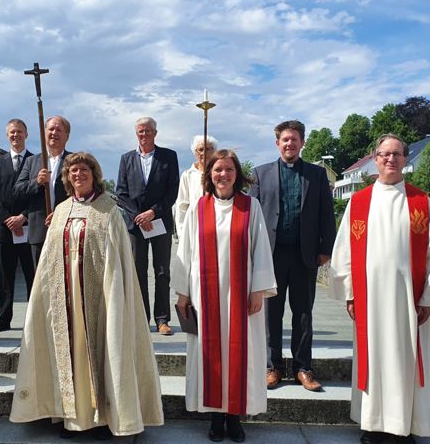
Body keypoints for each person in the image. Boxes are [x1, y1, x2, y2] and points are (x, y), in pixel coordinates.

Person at [10, 152, 164, 439]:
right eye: (73, 171)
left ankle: (103, 418)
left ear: (94, 175)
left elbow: (119, 259)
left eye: (84, 170)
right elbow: (48, 258)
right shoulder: (61, 211)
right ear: (67, 178)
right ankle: (72, 417)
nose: (78, 175)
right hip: (65, 298)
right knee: (69, 352)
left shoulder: (109, 210)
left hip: (99, 297)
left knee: (102, 349)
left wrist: (113, 296)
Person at [330, 134, 430, 444]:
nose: (390, 159)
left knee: (404, 359)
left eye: (397, 154)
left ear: (405, 159)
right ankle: (372, 425)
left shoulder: (420, 202)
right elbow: (344, 250)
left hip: (407, 299)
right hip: (369, 298)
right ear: (375, 158)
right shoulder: (359, 202)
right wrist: (349, 293)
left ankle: (403, 426)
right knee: (373, 358)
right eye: (384, 154)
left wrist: (428, 297)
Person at [171, 150, 277, 443]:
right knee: (210, 355)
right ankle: (216, 417)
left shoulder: (250, 206)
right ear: (209, 175)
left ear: (237, 174)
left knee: (240, 354)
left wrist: (258, 290)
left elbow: (260, 249)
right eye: (218, 169)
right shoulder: (198, 207)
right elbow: (185, 251)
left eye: (229, 169)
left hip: (241, 296)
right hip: (205, 296)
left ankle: (234, 417)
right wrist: (183, 293)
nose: (223, 175)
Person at [249, 120, 336, 391]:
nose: (289, 144)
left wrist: (326, 248)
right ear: (277, 143)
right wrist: (251, 252)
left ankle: (303, 368)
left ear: (302, 143)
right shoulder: (260, 174)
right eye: (285, 139)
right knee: (271, 315)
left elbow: (326, 213)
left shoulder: (316, 175)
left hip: (304, 255)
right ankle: (271, 367)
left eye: (294, 139)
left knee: (303, 314)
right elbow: (250, 216)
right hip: (271, 255)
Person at [116, 117, 180, 335]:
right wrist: (138, 216)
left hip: (160, 221)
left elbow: (172, 190)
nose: (144, 135)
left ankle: (162, 319)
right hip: (136, 225)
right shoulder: (126, 159)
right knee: (138, 271)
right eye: (140, 131)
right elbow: (121, 192)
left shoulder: (168, 156)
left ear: (155, 133)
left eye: (148, 131)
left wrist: (152, 212)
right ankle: (141, 319)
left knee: (162, 271)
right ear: (136, 134)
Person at [0, 119, 35, 333]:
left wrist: (23, 217)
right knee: (5, 277)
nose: (16, 135)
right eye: (12, 132)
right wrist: (8, 220)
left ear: (26, 134)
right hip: (5, 231)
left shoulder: (36, 162)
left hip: (30, 229)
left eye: (20, 132)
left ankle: (34, 321)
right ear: (7, 135)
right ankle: (3, 319)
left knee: (33, 275)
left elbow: (40, 195)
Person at [13, 115, 72, 266]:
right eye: (51, 129)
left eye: (59, 130)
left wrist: (61, 214)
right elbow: (18, 190)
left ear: (67, 136)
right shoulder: (31, 161)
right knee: (40, 278)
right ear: (44, 133)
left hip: (67, 231)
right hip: (39, 232)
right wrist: (37, 182)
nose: (54, 133)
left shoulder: (74, 161)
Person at [174, 134, 216, 234]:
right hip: (194, 228)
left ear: (214, 151)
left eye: (208, 149)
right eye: (200, 149)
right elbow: (182, 206)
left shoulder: (220, 174)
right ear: (195, 153)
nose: (204, 153)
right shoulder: (187, 175)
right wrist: (182, 232)